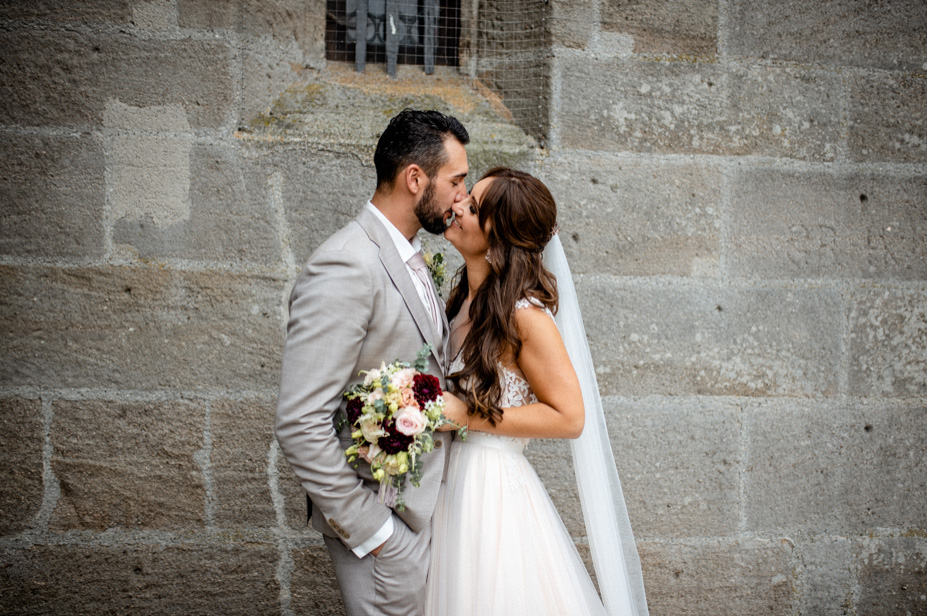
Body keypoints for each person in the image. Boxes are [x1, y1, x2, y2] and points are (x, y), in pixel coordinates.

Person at [428, 168, 649, 615]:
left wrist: (467, 415)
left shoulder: (525, 316)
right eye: (466, 198)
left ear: (498, 237)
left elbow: (570, 417)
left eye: (471, 208)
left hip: (492, 491)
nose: (456, 207)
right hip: (452, 486)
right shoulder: (464, 299)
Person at [275, 108, 469, 616]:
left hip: (423, 520)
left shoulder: (408, 255)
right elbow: (299, 423)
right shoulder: (346, 264)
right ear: (414, 179)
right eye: (455, 181)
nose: (461, 197)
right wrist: (378, 534)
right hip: (385, 533)